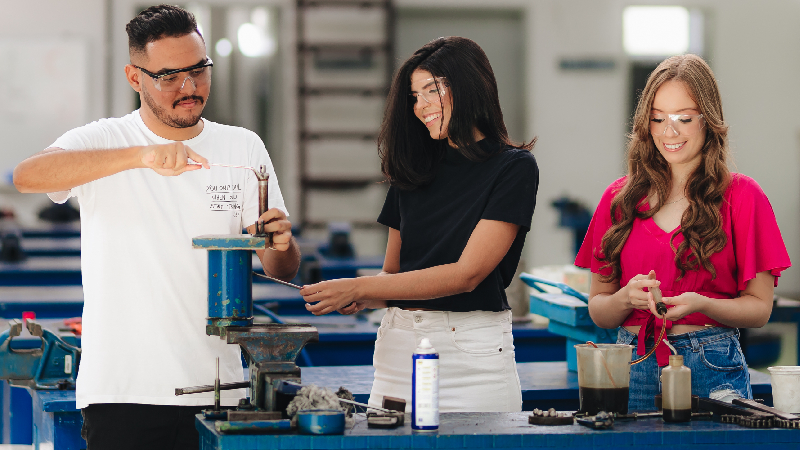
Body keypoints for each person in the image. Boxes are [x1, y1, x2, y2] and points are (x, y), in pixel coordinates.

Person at [12, 5, 299, 449]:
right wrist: (141, 155)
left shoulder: (243, 146)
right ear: (134, 78)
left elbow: (281, 269)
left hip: (221, 392)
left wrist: (281, 243)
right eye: (169, 76)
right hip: (124, 392)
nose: (189, 88)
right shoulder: (104, 140)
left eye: (199, 70)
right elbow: (28, 175)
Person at [299, 36, 539, 412]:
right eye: (414, 95)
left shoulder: (513, 168)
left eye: (432, 90)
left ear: (470, 86)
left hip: (473, 356)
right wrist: (357, 296)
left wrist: (359, 285)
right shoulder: (412, 170)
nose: (420, 105)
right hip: (398, 350)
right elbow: (393, 275)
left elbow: (467, 275)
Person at [575, 54, 791, 410]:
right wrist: (624, 298)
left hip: (710, 365)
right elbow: (599, 310)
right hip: (630, 365)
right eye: (658, 118)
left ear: (709, 121)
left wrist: (702, 303)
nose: (668, 132)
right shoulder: (618, 199)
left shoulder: (742, 196)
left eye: (684, 119)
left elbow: (759, 308)